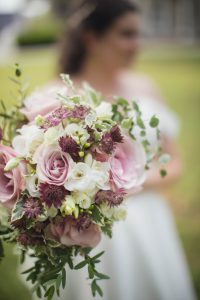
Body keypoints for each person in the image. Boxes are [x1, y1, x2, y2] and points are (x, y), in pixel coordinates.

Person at [31, 1, 196, 299]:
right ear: (92, 38)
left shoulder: (145, 88)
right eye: (127, 34)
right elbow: (30, 172)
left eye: (138, 34)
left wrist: (119, 186)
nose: (137, 44)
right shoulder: (51, 98)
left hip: (147, 223)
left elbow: (175, 166)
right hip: (80, 230)